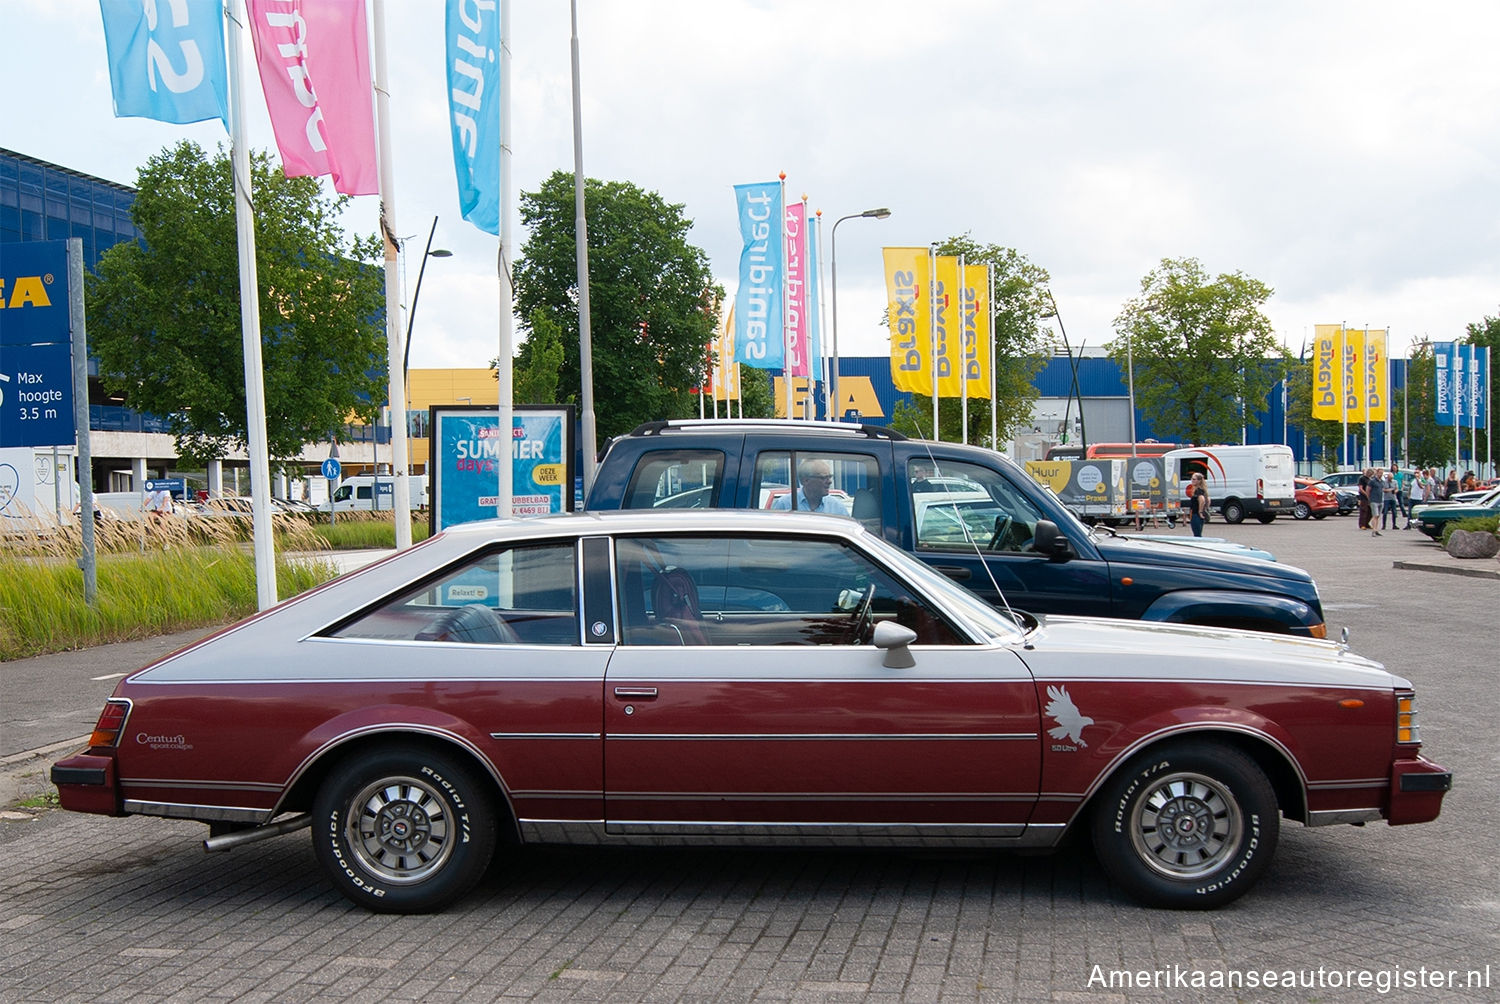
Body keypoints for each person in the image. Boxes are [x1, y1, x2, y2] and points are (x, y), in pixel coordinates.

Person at [771, 459, 851, 515]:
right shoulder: (784, 505)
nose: (829, 482)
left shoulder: (837, 507)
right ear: (805, 481)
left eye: (830, 477)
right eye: (823, 478)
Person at [1188, 472, 1209, 537]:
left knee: (1197, 534)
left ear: (1199, 481)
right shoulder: (1202, 490)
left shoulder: (1198, 491)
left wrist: (1200, 511)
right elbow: (1208, 499)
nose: (1192, 480)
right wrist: (1205, 508)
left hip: (1196, 515)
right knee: (1198, 533)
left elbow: (1202, 499)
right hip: (1196, 515)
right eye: (1192, 479)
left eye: (1194, 479)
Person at [1366, 468, 1385, 537]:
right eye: (1380, 473)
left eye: (1382, 473)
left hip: (1380, 500)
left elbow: (1383, 490)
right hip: (1374, 500)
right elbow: (1368, 490)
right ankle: (1374, 530)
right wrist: (1369, 499)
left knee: (1378, 516)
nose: (1381, 474)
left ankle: (1376, 529)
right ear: (1377, 473)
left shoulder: (1382, 482)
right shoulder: (1372, 481)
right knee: (1375, 515)